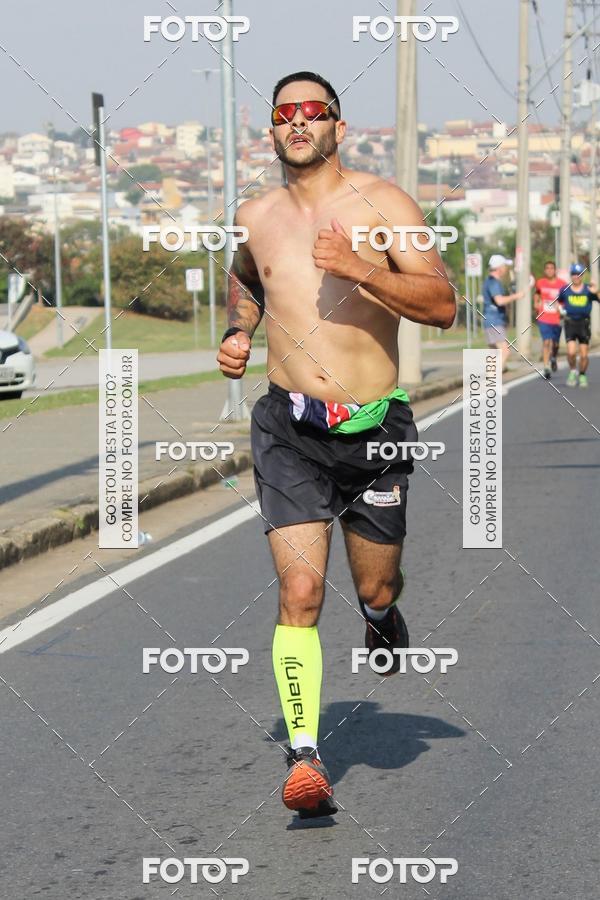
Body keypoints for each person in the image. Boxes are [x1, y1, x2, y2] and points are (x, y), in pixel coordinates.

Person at [217, 71, 455, 818]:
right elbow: (245, 279)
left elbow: (442, 304)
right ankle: (305, 754)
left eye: (312, 111)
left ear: (338, 127)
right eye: (284, 113)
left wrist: (357, 266)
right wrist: (238, 330)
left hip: (374, 428)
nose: (297, 122)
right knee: (300, 591)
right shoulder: (254, 214)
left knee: (374, 585)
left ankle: (382, 618)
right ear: (272, 130)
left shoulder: (385, 206)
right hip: (289, 429)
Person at [558, 262, 599, 387]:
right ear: (571, 276)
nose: (576, 276)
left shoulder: (588, 289)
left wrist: (596, 291)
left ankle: (582, 374)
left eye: (579, 274)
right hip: (570, 322)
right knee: (571, 352)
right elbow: (558, 302)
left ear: (582, 276)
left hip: (584, 323)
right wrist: (559, 310)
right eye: (574, 274)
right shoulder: (565, 290)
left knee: (584, 354)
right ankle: (572, 371)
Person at [482, 255, 524, 368]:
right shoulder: (494, 282)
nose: (506, 269)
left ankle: (489, 381)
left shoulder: (488, 281)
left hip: (490, 320)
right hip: (494, 321)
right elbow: (499, 301)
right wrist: (517, 296)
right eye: (504, 266)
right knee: (505, 352)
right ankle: (491, 381)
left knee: (494, 355)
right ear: (499, 268)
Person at [534, 260, 566, 379]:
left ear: (555, 270)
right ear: (544, 270)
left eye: (551, 268)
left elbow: (566, 299)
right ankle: (546, 367)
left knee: (556, 344)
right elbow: (537, 293)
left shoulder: (562, 284)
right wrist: (536, 302)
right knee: (546, 341)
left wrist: (561, 307)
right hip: (544, 317)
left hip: (557, 318)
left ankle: (553, 358)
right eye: (547, 268)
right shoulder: (540, 282)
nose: (549, 270)